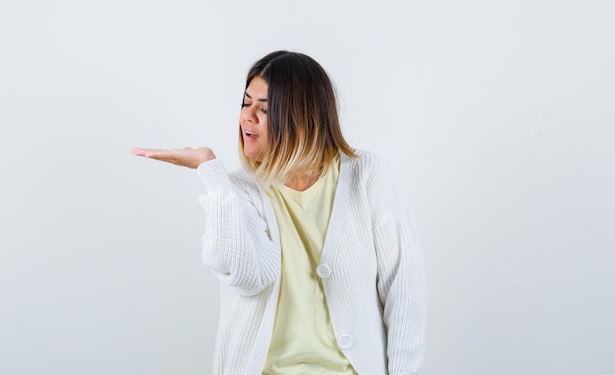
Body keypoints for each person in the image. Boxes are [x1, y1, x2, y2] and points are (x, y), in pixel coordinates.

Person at [133, 51, 427, 375]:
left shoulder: (366, 177)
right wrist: (213, 176)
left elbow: (405, 292)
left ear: (302, 116)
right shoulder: (240, 193)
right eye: (246, 104)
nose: (247, 117)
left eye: (264, 108)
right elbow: (246, 275)